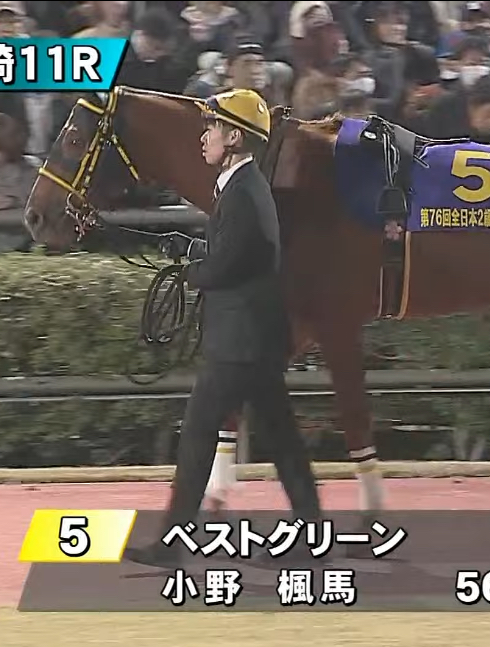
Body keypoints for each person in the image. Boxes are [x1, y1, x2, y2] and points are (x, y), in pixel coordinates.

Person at [123, 89, 323, 569]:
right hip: (253, 339)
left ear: (234, 136)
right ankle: (313, 533)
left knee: (198, 434)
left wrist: (190, 270)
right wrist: (189, 247)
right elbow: (235, 251)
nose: (204, 136)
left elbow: (229, 265)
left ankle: (172, 542)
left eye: (212, 127)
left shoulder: (244, 191)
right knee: (282, 440)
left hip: (240, 342)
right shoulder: (241, 186)